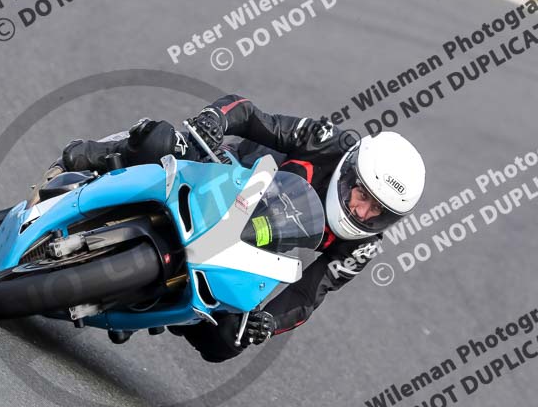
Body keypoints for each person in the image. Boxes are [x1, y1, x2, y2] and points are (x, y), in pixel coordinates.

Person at [36, 94, 426, 362]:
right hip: (227, 175)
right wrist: (215, 119)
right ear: (350, 171)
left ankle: (160, 310)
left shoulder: (361, 246)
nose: (362, 211)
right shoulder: (326, 143)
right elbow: (253, 116)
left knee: (228, 341)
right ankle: (92, 156)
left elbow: (309, 293)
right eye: (362, 194)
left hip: (256, 241)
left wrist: (268, 322)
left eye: (378, 211)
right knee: (162, 141)